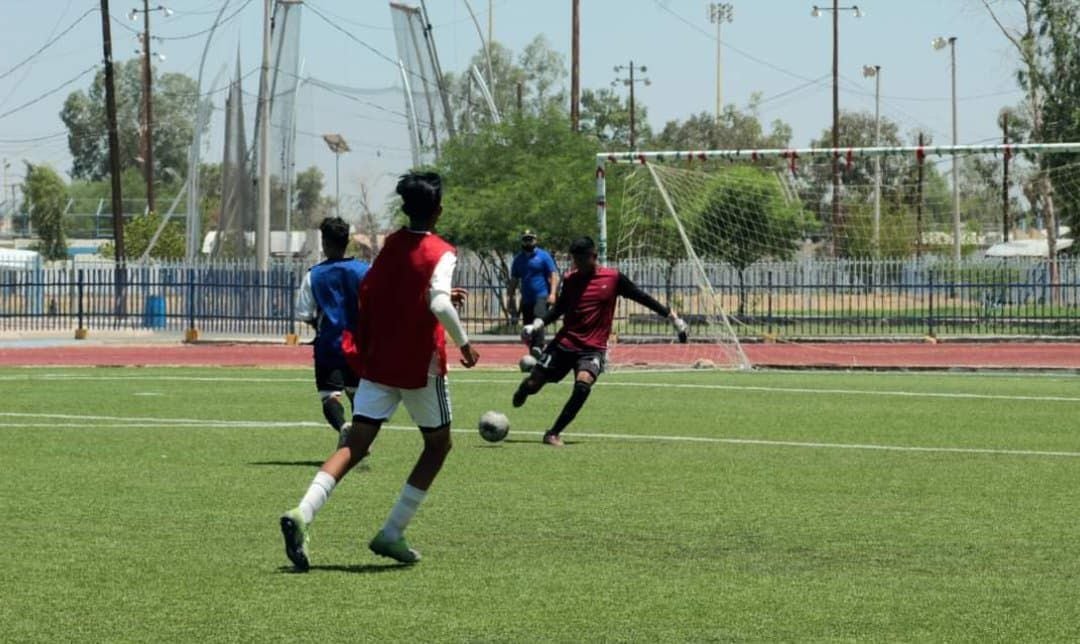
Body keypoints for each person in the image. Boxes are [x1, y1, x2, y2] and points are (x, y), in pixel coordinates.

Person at [280, 171, 479, 571]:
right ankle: (392, 532)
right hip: (419, 366)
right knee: (438, 446)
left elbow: (385, 290)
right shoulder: (442, 249)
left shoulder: (391, 246)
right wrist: (465, 343)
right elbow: (440, 305)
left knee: (354, 444)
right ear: (439, 209)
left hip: (378, 363)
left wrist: (427, 296)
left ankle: (302, 513)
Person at [512, 236, 688, 447]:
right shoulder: (570, 279)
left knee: (583, 384)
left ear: (593, 257)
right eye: (574, 260)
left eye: (581, 260)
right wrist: (537, 325)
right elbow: (559, 308)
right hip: (565, 343)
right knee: (534, 383)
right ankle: (525, 389)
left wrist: (672, 317)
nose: (577, 265)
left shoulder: (613, 278)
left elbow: (642, 297)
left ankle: (553, 432)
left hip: (592, 347)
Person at [295, 216, 370, 445]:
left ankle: (342, 426)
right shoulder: (365, 271)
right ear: (347, 241)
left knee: (329, 396)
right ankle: (361, 436)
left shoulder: (313, 275)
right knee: (358, 394)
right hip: (359, 345)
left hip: (329, 346)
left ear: (325, 243)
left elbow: (305, 313)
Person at [507, 229, 558, 358]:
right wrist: (510, 298)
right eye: (526, 239)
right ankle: (534, 354)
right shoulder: (518, 259)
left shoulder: (544, 256)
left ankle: (539, 345)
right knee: (528, 327)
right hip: (526, 298)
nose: (528, 241)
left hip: (542, 295)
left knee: (538, 318)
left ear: (535, 240)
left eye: (531, 239)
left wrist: (552, 294)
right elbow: (514, 280)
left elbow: (553, 275)